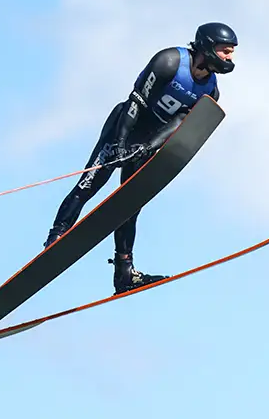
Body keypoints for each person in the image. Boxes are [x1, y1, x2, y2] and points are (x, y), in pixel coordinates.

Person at [44, 22, 238, 294]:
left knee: (129, 205)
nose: (230, 58)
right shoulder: (169, 61)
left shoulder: (210, 92)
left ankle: (124, 274)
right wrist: (121, 143)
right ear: (207, 47)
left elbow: (180, 123)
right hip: (124, 126)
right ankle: (56, 239)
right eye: (226, 51)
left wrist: (148, 147)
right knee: (89, 184)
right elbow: (135, 102)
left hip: (147, 141)